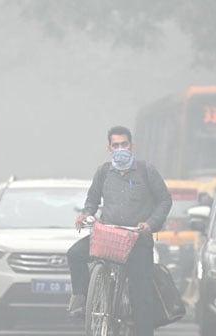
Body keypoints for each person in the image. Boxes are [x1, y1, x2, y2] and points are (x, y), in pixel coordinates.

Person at [67, 126, 172, 336]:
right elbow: (92, 200)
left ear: (131, 146)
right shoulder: (104, 172)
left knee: (141, 295)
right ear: (109, 148)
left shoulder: (146, 170)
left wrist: (151, 223)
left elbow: (164, 200)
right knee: (75, 254)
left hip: (137, 239)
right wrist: (86, 213)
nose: (120, 148)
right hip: (108, 237)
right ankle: (84, 300)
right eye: (116, 145)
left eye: (124, 144)